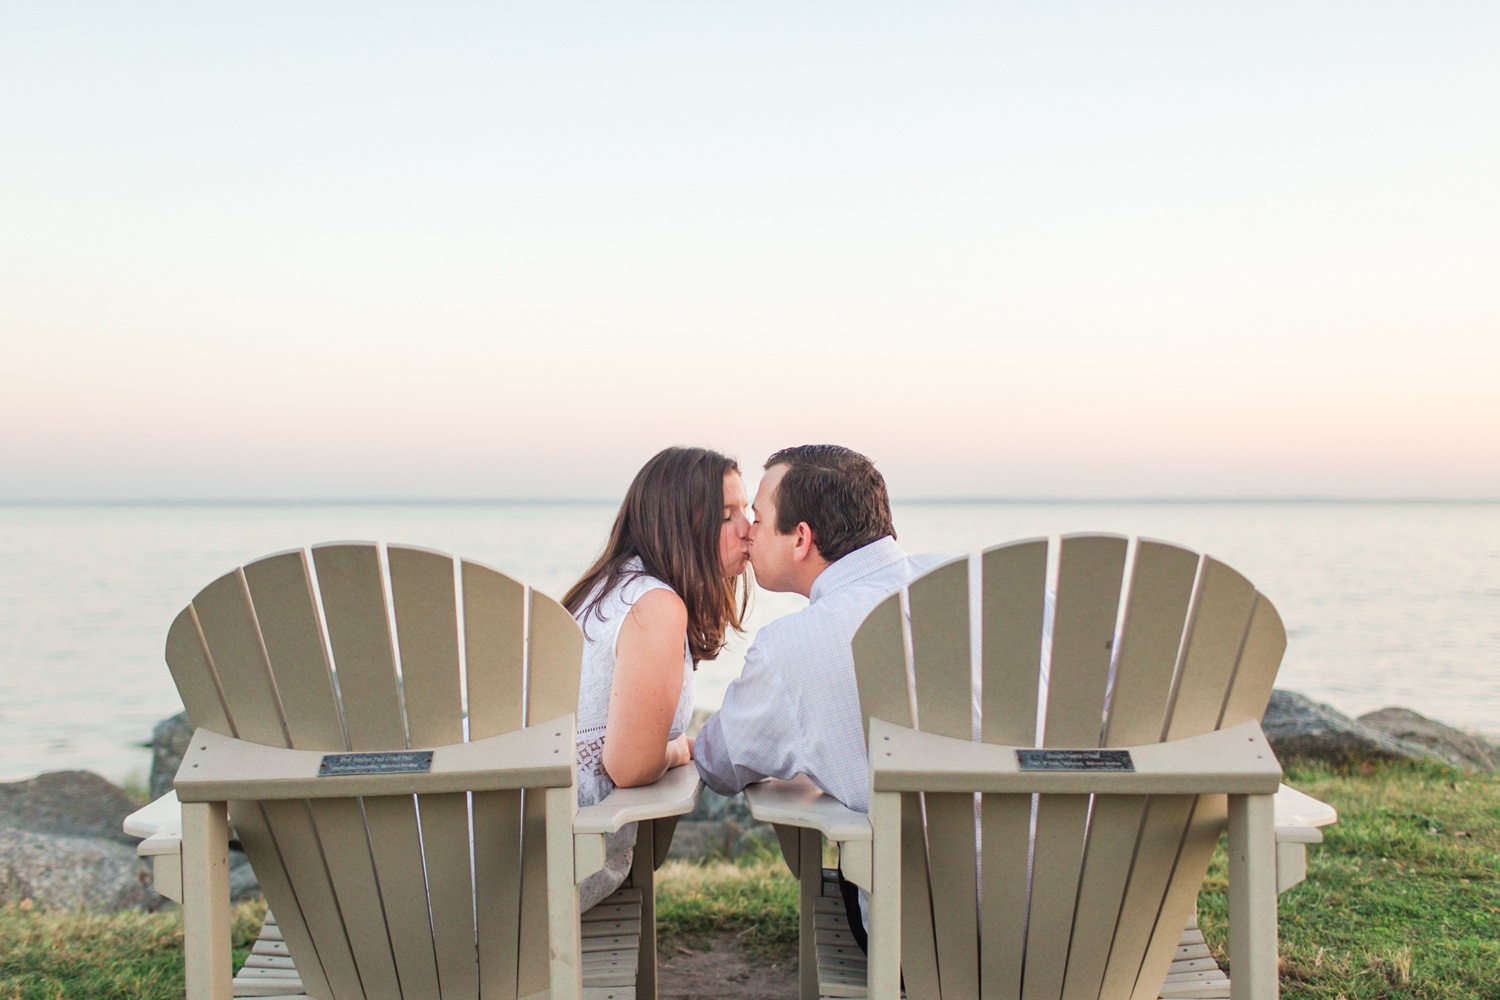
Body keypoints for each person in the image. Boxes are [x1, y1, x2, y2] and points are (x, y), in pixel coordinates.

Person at [693, 444, 950, 949]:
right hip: (1105, 920)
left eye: (760, 520)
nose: (749, 531)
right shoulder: (980, 581)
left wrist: (825, 754)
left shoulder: (793, 648)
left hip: (924, 941)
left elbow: (718, 763)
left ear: (801, 540)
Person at [562, 446, 751, 910]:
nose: (749, 528)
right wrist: (679, 747)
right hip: (554, 856)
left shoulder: (613, 588)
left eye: (745, 509)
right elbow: (630, 765)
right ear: (679, 527)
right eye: (727, 516)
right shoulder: (655, 605)